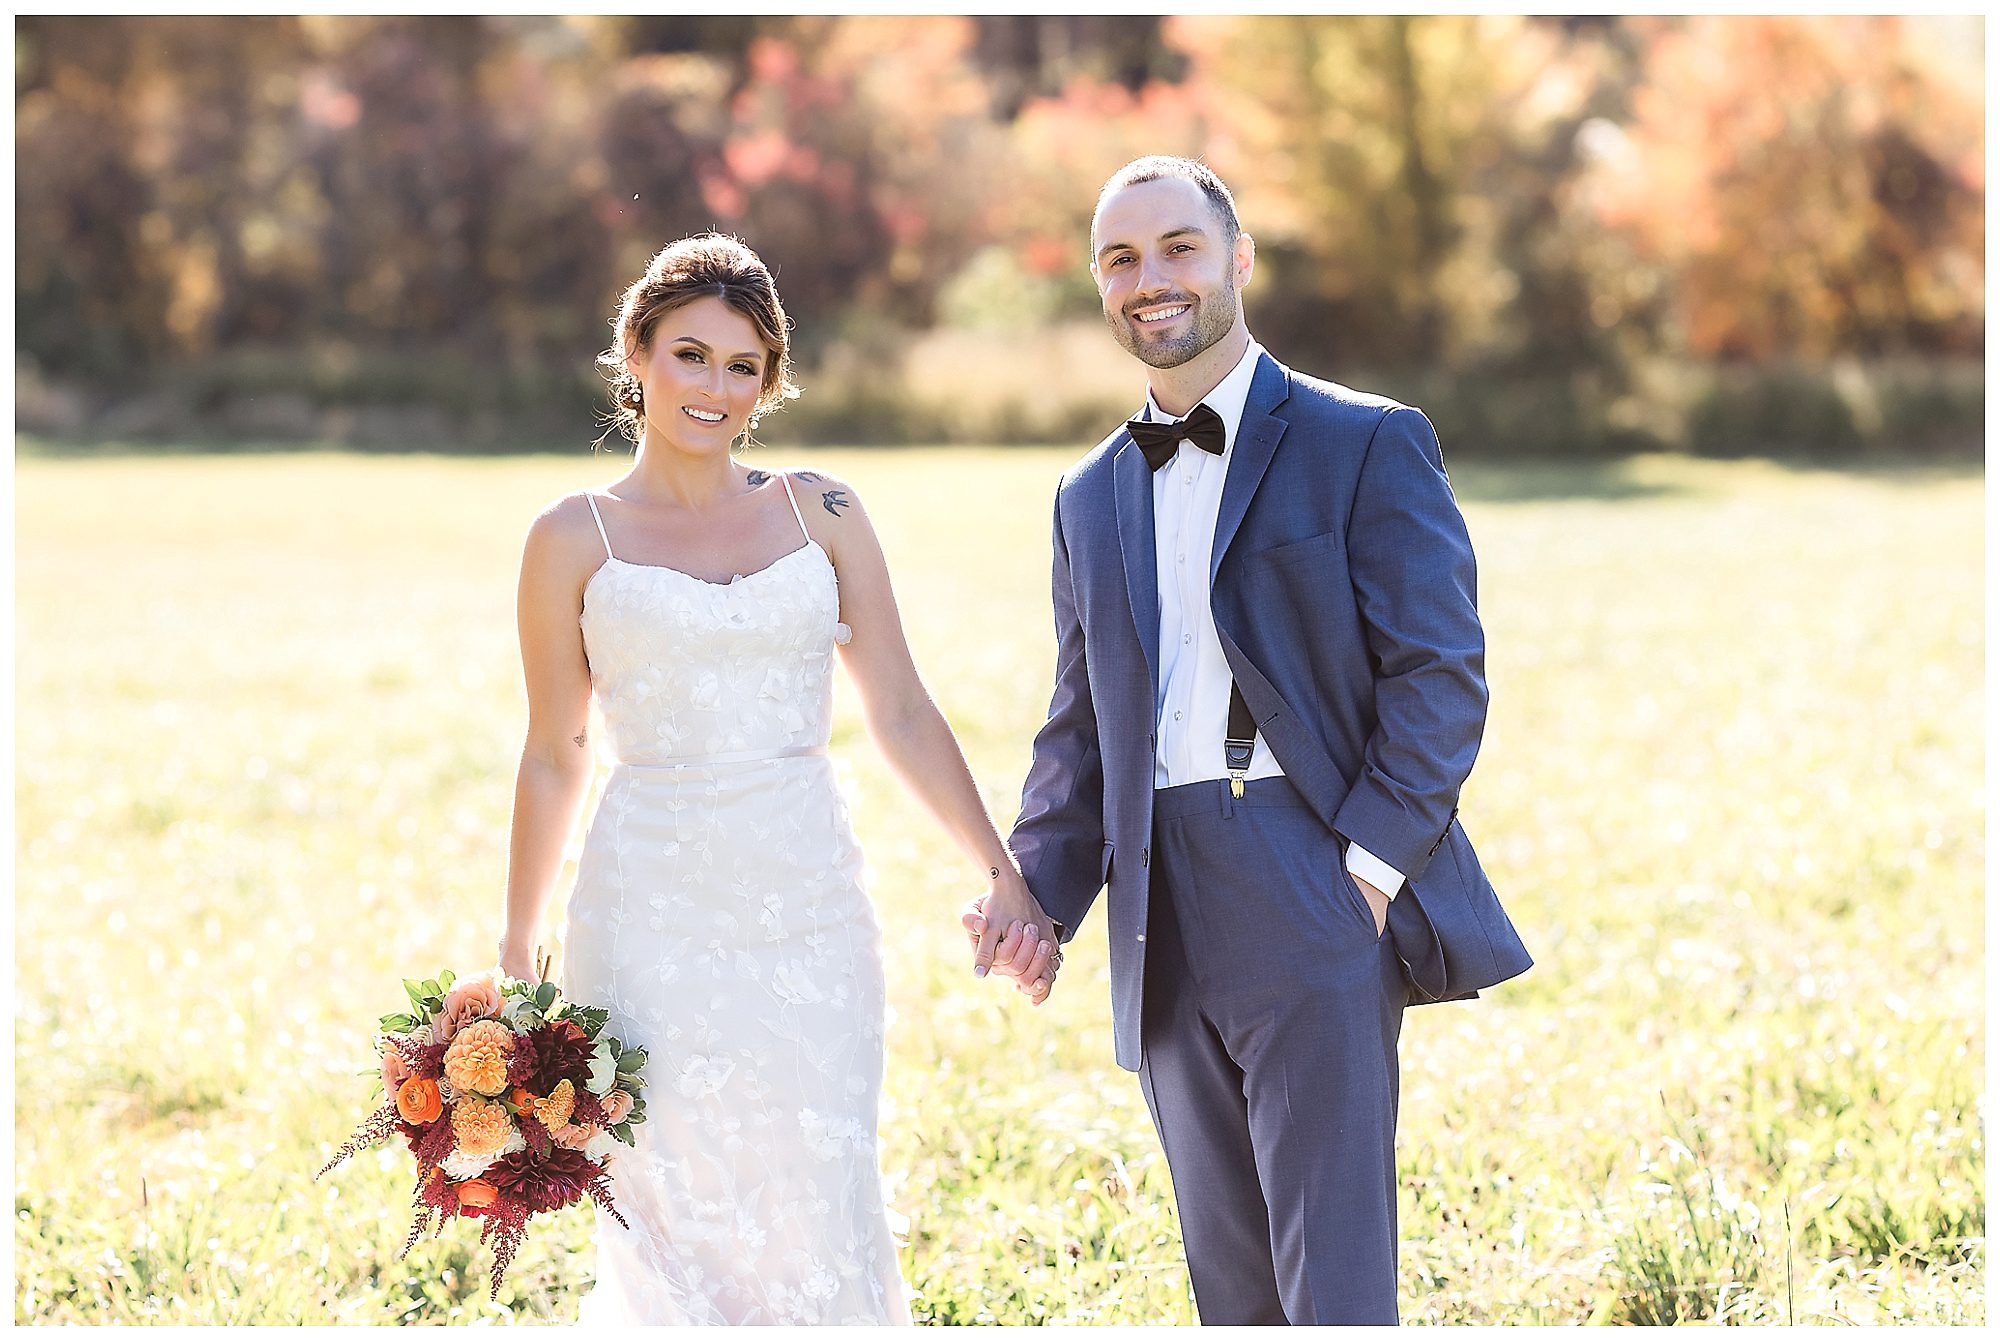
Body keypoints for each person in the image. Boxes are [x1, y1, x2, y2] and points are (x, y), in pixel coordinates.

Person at [968, 157, 1533, 1324]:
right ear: (1097, 285)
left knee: (1328, 1267)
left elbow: (1437, 674)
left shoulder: (1363, 441)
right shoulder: (1086, 493)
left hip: (1308, 869)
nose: (1150, 279)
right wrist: (1036, 896)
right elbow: (1080, 728)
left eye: (1177, 246)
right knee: (1226, 1270)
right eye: (1120, 259)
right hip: (1153, 896)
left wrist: (1366, 875)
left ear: (1238, 258)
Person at [496, 233, 1055, 1324]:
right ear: (635, 354)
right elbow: (553, 750)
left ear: (769, 381)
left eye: (741, 365)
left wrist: (1002, 872)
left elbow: (897, 705)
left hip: (806, 902)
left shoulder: (823, 513)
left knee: (818, 1184)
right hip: (646, 907)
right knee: (663, 1198)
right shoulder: (570, 537)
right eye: (690, 355)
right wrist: (518, 948)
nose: (714, 387)